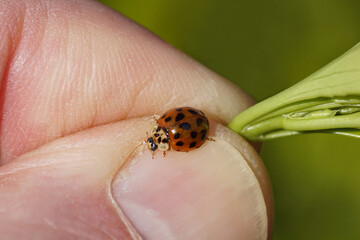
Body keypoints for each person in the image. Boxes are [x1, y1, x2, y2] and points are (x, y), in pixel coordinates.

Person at [0, 0, 273, 239]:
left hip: (198, 122)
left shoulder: (170, 136)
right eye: (155, 143)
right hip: (196, 121)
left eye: (154, 143)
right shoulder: (167, 128)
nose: (154, 143)